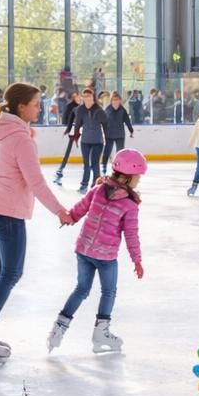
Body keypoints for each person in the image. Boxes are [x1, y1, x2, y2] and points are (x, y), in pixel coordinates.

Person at [0, 83, 72, 363]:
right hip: (7, 214)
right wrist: (59, 211)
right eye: (35, 103)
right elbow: (36, 183)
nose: (39, 108)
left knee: (2, 272)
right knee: (10, 274)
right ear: (21, 107)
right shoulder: (21, 139)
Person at [48, 149, 146, 355]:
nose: (139, 181)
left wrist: (70, 217)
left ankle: (58, 329)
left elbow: (80, 207)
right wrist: (137, 260)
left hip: (83, 250)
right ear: (128, 177)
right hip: (105, 256)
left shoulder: (98, 189)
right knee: (109, 291)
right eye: (138, 177)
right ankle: (101, 333)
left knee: (81, 289)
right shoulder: (129, 204)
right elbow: (131, 235)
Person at [70, 88, 110, 193]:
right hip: (85, 141)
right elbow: (78, 124)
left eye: (89, 96)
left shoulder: (99, 110)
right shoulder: (80, 110)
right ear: (82, 98)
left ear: (93, 97)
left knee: (95, 164)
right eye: (85, 96)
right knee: (86, 164)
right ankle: (84, 185)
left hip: (97, 141)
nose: (87, 98)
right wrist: (76, 135)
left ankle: (96, 186)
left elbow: (105, 125)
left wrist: (107, 138)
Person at [52, 87, 86, 185]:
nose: (78, 98)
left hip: (84, 134)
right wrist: (69, 129)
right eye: (76, 96)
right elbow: (68, 119)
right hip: (73, 133)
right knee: (67, 153)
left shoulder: (85, 108)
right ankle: (59, 172)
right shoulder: (72, 107)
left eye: (79, 96)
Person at [105, 91, 135, 162]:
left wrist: (131, 130)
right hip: (109, 134)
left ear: (120, 100)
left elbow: (127, 121)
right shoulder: (107, 110)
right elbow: (104, 122)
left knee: (120, 153)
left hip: (120, 134)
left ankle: (119, 165)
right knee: (107, 151)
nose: (115, 102)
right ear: (111, 101)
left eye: (117, 100)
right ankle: (107, 164)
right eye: (114, 100)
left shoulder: (123, 110)